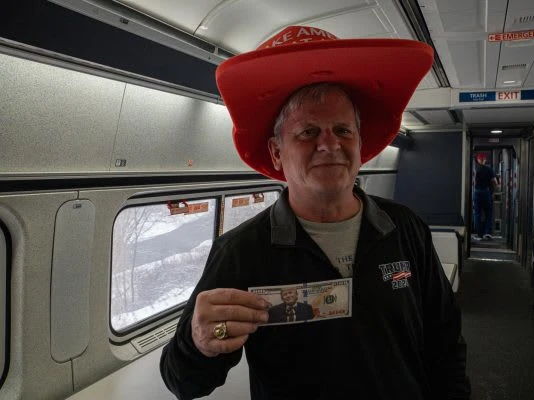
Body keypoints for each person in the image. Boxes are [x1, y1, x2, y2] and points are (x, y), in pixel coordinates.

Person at [160, 25, 470, 400]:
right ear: (276, 152)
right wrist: (202, 343)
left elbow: (444, 342)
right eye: (308, 133)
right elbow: (185, 382)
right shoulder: (242, 251)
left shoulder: (404, 228)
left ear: (360, 143)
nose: (329, 145)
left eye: (343, 129)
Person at [472, 152, 498, 241]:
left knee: (477, 214)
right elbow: (495, 182)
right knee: (488, 213)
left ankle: (479, 234)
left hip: (476, 192)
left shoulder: (475, 169)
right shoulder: (489, 169)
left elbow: (473, 182)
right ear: (485, 160)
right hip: (486, 192)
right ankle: (487, 233)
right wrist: (493, 192)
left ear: (478, 160)